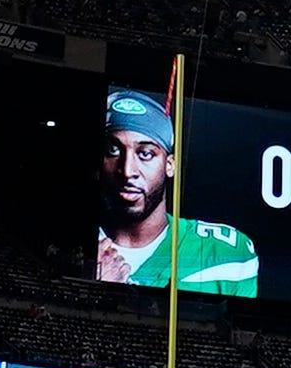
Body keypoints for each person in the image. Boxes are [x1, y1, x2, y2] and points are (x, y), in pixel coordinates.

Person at [89, 91, 258, 294]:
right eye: (113, 151)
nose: (127, 171)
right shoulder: (65, 249)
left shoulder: (224, 253)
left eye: (145, 154)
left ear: (170, 165)